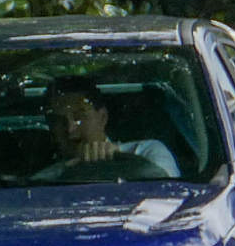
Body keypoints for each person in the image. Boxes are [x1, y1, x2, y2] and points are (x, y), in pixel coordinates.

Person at [33, 76, 179, 181]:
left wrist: (117, 162)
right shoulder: (46, 180)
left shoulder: (145, 151)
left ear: (102, 117)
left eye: (79, 116)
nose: (70, 128)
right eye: (58, 120)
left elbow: (170, 192)